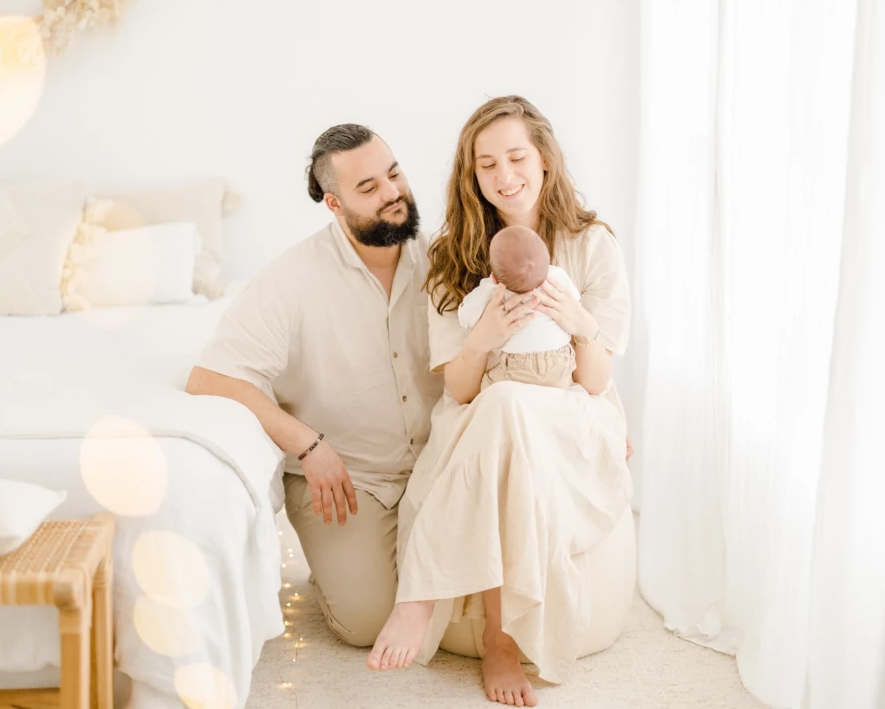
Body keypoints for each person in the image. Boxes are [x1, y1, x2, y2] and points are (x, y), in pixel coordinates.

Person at [368, 96, 634, 708]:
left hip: (572, 412)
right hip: (487, 410)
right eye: (486, 165)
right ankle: (498, 637)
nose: (504, 175)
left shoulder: (590, 245)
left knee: (508, 405)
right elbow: (460, 390)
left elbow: (593, 382)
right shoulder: (453, 256)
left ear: (544, 159)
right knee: (502, 404)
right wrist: (484, 337)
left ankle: (431, 602)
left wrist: (578, 321)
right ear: (471, 175)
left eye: (516, 157)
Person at [186, 123, 442, 647]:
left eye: (394, 174)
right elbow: (209, 378)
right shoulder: (291, 279)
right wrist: (307, 443)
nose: (392, 193)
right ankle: (334, 568)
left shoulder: (442, 255)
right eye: (368, 188)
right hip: (344, 477)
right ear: (334, 204)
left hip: (435, 465)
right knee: (368, 625)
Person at [459, 225, 581, 390]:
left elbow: (466, 317)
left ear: (494, 277)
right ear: (547, 257)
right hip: (558, 360)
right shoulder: (557, 277)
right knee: (563, 390)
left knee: (489, 392)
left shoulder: (492, 290)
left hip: (517, 365)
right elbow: (574, 301)